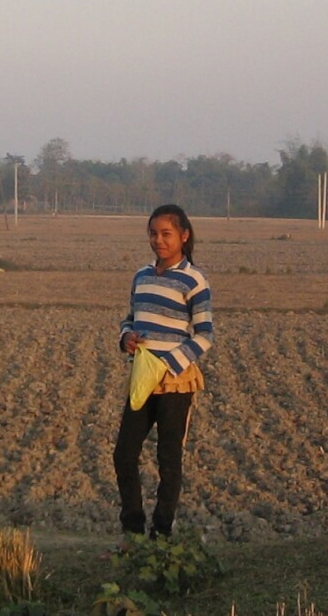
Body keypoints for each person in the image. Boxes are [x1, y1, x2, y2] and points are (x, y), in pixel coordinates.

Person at [114, 204, 214, 539]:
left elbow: (205, 334)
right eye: (154, 234)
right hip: (142, 379)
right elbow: (130, 317)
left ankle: (161, 534)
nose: (159, 240)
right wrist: (126, 336)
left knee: (168, 460)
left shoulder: (194, 280)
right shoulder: (141, 277)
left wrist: (170, 364)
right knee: (124, 455)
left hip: (175, 383)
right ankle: (132, 533)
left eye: (166, 234)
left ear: (184, 237)